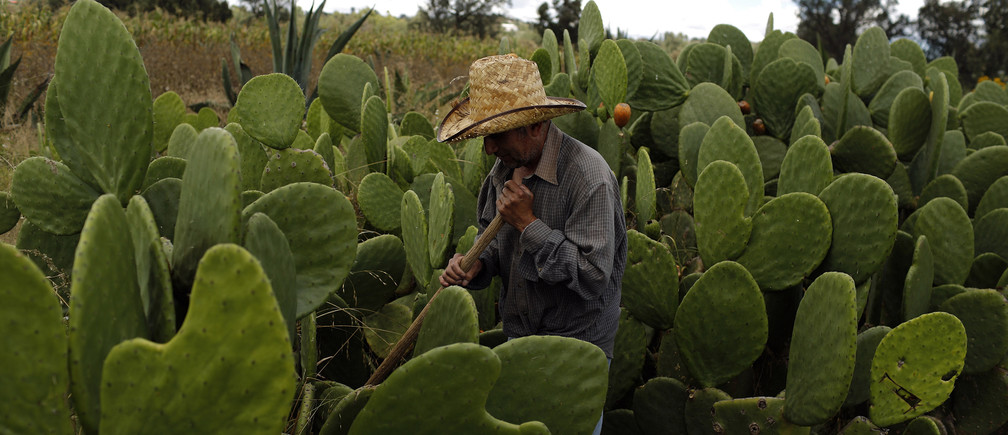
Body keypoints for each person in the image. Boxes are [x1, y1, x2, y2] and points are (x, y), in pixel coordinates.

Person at [437, 54, 627, 434]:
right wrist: (476, 265)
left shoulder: (589, 178)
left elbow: (592, 277)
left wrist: (529, 224)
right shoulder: (503, 169)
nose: (489, 148)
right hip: (519, 338)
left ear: (536, 126)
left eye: (497, 135)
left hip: (576, 349)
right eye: (484, 136)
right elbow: (491, 238)